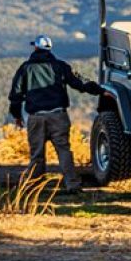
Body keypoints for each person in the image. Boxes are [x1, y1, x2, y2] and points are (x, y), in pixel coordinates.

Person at [8, 34, 103, 193]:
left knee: (37, 154)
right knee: (64, 150)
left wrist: (16, 116)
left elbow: (15, 95)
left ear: (36, 48)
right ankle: (72, 185)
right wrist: (100, 91)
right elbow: (79, 83)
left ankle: (33, 186)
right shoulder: (60, 66)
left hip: (36, 118)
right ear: (49, 49)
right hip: (58, 115)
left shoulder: (26, 68)